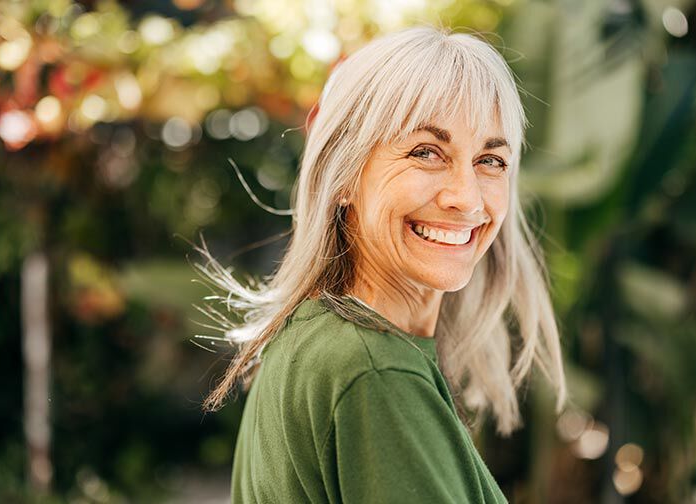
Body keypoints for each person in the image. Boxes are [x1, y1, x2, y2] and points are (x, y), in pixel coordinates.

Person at [193, 25, 568, 503]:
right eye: (426, 152)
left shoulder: (312, 337)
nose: (467, 198)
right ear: (344, 174)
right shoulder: (375, 374)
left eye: (490, 160)